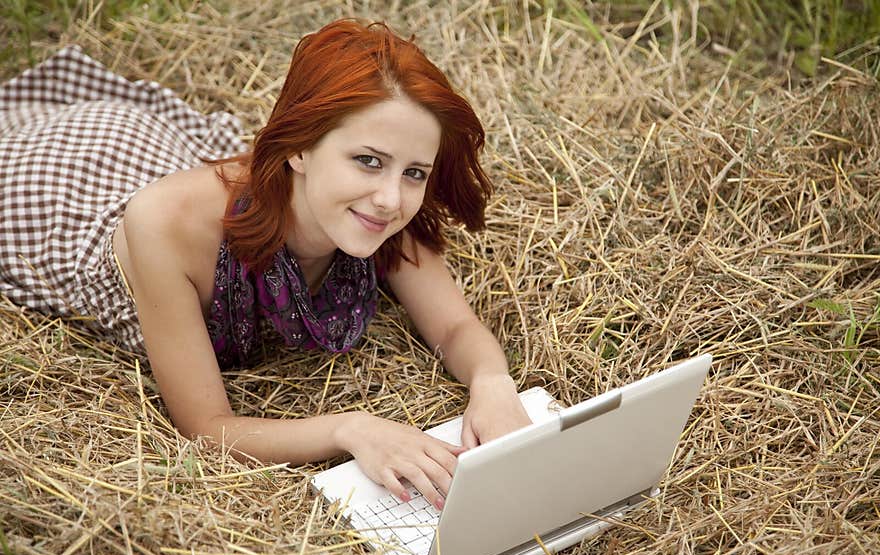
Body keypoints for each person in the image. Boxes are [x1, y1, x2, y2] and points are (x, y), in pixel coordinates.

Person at [0, 18, 532, 510]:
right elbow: (206, 427)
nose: (391, 198)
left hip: (159, 153)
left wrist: (492, 382)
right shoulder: (163, 225)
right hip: (55, 183)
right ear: (299, 149)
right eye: (368, 161)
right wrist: (351, 429)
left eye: (415, 172)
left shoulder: (381, 208)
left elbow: (456, 324)